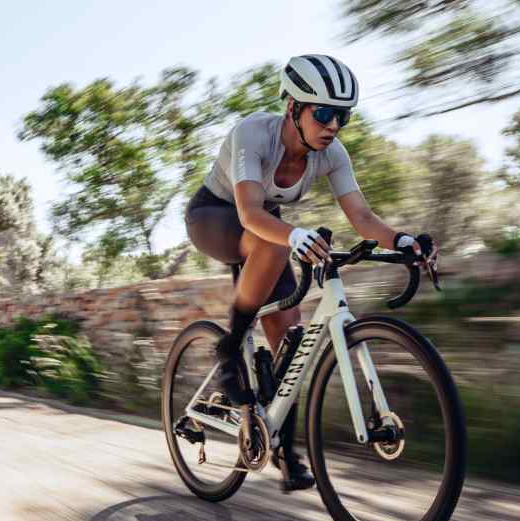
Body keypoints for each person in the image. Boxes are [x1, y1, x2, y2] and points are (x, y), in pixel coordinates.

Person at [184, 54, 437, 492]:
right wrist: (295, 235)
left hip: (270, 228)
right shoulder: (253, 134)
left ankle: (284, 448)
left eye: (342, 116)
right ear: (292, 108)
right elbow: (248, 212)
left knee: (292, 342)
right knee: (269, 238)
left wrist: (401, 241)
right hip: (217, 216)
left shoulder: (332, 154)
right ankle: (229, 348)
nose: (333, 125)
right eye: (323, 113)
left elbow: (362, 217)